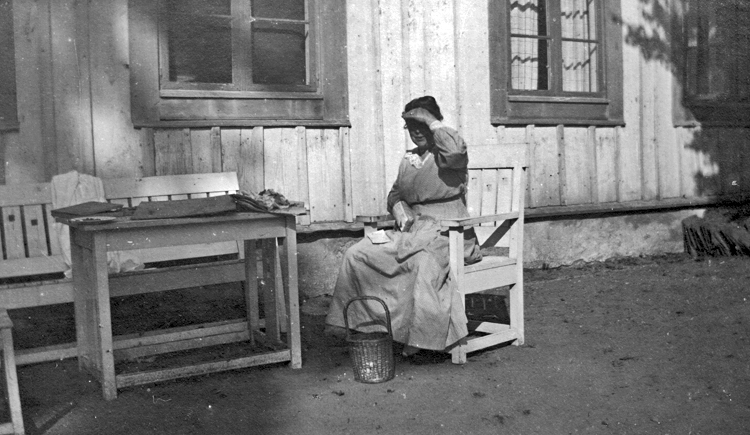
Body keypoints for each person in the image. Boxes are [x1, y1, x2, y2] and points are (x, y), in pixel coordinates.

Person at [325, 95, 481, 357]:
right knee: (357, 253)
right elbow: (395, 193)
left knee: (422, 262)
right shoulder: (409, 159)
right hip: (412, 231)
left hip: (448, 232)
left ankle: (421, 337)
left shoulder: (448, 155)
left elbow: (455, 151)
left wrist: (430, 120)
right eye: (411, 126)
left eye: (422, 125)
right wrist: (398, 208)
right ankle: (361, 325)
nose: (417, 132)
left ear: (433, 123)